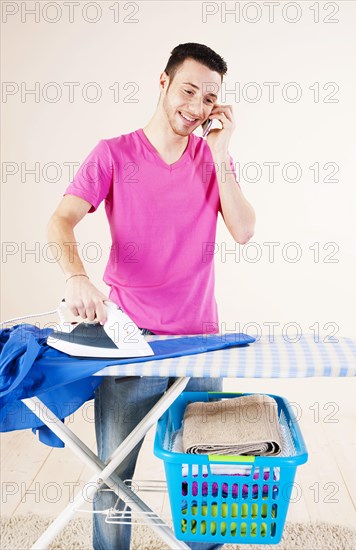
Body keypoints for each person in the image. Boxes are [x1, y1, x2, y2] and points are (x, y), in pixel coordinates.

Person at [47, 42, 255, 550]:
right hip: (131, 338)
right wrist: (76, 275)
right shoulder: (113, 154)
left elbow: (244, 230)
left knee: (212, 476)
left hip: (200, 339)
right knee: (113, 477)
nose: (197, 106)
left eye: (209, 99)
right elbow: (61, 220)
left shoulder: (211, 159)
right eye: (188, 90)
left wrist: (223, 152)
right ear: (163, 83)